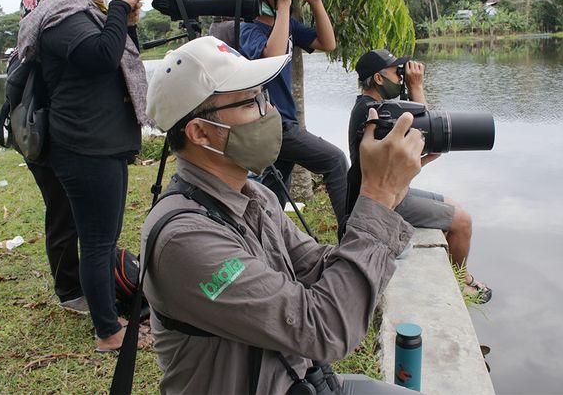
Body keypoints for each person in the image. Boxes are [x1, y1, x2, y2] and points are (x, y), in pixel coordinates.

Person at [141, 35, 430, 394]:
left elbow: (318, 267)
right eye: (253, 102)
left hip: (300, 381)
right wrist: (378, 194)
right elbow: (324, 328)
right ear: (200, 132)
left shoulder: (255, 195)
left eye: (266, 95)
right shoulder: (184, 240)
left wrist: (393, 186)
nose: (270, 111)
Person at [17, 0, 154, 352]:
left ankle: (107, 319)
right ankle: (108, 332)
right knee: (97, 243)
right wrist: (117, 7)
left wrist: (125, 21)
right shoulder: (61, 15)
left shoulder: (84, 12)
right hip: (84, 146)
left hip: (99, 143)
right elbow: (100, 57)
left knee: (103, 238)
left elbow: (117, 53)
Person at [347, 49, 492, 303]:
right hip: (384, 200)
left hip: (391, 189)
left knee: (454, 206)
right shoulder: (379, 113)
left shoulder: (370, 107)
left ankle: (457, 273)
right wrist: (417, 86)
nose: (402, 78)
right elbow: (425, 137)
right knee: (463, 222)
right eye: (397, 73)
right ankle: (459, 284)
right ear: (379, 79)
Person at [238, 0, 349, 226]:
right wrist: (285, 4)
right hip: (269, 125)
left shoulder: (285, 25)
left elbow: (327, 43)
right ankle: (352, 238)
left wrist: (315, 1)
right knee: (334, 161)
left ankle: (262, 243)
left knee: (273, 196)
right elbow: (273, 56)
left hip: (284, 123)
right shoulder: (247, 29)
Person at [15, 0, 86, 314]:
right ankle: (69, 290)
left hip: (41, 142)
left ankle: (80, 280)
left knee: (72, 212)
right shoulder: (33, 51)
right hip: (45, 145)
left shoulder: (27, 50)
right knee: (62, 214)